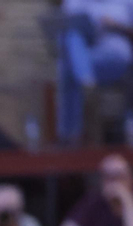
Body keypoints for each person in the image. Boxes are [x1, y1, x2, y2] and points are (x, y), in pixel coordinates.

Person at [55, 0, 133, 145]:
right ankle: (85, 76)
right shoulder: (74, 3)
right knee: (71, 35)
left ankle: (68, 136)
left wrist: (116, 26)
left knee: (69, 70)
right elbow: (63, 28)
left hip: (116, 59)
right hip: (88, 55)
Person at [58, 153, 133, 226]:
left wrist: (126, 201)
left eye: (118, 176)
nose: (114, 182)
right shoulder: (94, 202)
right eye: (108, 177)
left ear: (129, 179)